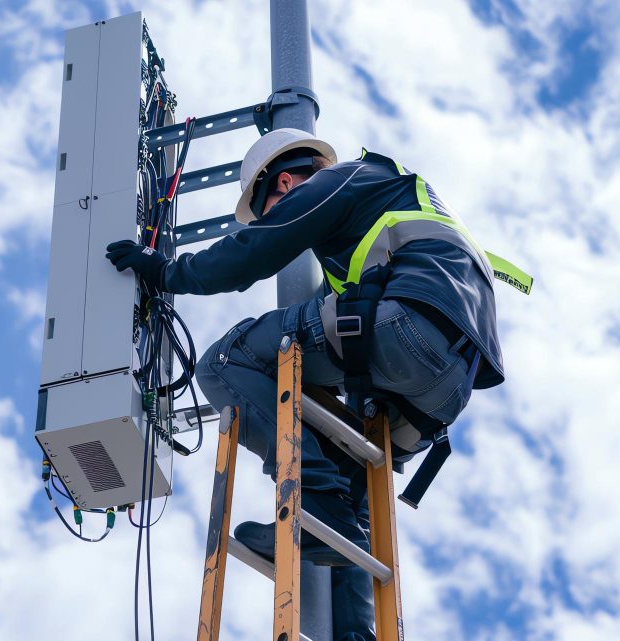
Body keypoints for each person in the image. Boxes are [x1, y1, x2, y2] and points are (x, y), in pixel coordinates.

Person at [107, 128, 519, 640]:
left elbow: (257, 249)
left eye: (270, 209)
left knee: (226, 361)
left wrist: (167, 272)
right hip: (444, 394)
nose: (275, 217)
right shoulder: (394, 210)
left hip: (408, 328)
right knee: (350, 469)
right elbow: (336, 318)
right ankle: (354, 627)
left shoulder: (343, 179)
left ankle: (313, 504)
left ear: (283, 182)